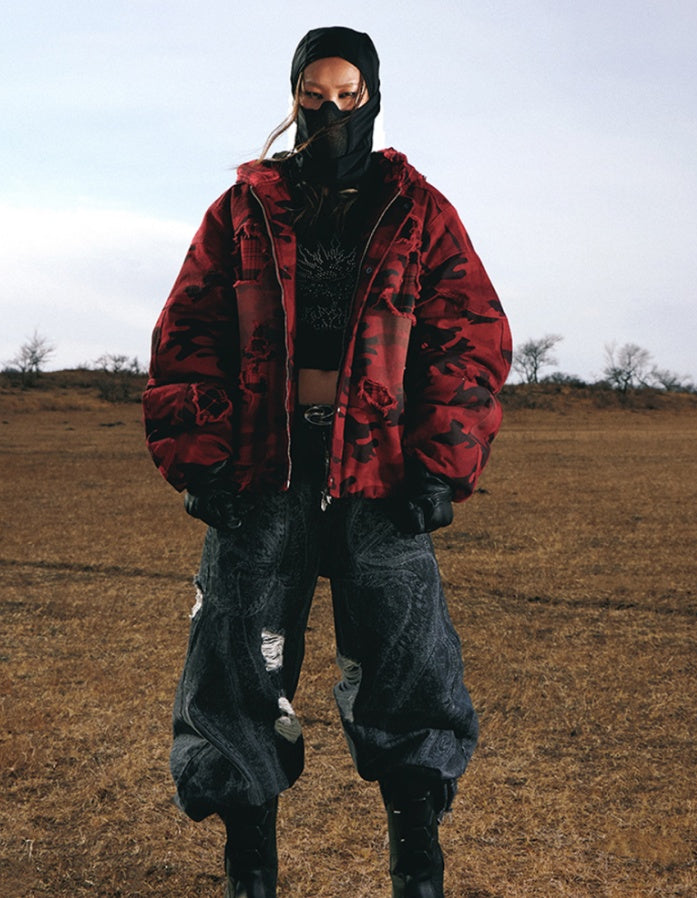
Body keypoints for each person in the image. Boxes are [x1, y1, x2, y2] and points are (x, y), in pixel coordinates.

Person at [143, 25, 511, 898]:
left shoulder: (419, 210)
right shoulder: (243, 211)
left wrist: (440, 463)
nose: (333, 111)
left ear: (374, 97)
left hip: (382, 475)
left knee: (409, 660)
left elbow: (471, 338)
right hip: (261, 475)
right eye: (316, 93)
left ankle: (417, 865)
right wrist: (201, 462)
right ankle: (250, 868)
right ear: (294, 94)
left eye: (351, 96)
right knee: (235, 658)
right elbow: (187, 335)